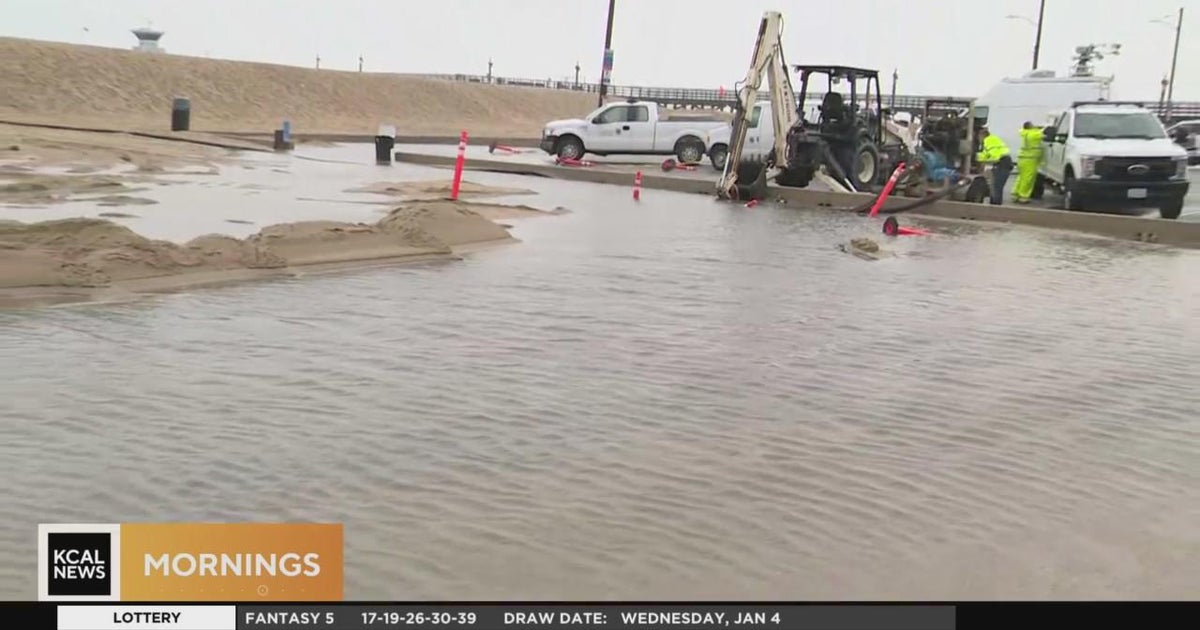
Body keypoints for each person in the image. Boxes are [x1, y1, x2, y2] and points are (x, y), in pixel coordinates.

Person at [976, 126, 1013, 205]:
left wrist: (984, 164)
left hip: (1002, 164)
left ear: (982, 136)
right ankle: (995, 204)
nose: (978, 139)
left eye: (978, 137)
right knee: (995, 187)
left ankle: (995, 207)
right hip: (1005, 164)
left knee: (996, 188)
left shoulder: (988, 141)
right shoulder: (992, 139)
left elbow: (995, 157)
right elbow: (984, 156)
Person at [1012, 121, 1044, 203]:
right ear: (1030, 126)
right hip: (1030, 159)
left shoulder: (1024, 133)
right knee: (1028, 178)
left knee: (1021, 177)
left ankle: (1015, 194)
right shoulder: (1034, 134)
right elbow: (1043, 133)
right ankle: (1023, 196)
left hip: (1022, 158)